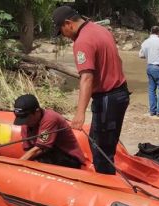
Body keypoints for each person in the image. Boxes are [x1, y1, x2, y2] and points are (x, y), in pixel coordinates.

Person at [52, 5, 130, 175]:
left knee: (102, 150)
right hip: (120, 93)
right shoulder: (100, 30)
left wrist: (80, 114)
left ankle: (107, 188)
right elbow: (118, 61)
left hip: (108, 98)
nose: (63, 36)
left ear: (68, 24)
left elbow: (86, 78)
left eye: (61, 31)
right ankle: (105, 176)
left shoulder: (82, 42)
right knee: (101, 141)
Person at [13, 94, 86, 169]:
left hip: (67, 158)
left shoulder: (50, 118)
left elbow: (40, 148)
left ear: (37, 111)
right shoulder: (25, 124)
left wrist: (18, 165)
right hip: (46, 157)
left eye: (26, 118)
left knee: (43, 154)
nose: (25, 122)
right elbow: (28, 150)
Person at [139, 26, 159, 116]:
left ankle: (152, 111)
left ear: (150, 32)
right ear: (158, 32)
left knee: (151, 90)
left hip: (149, 67)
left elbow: (141, 55)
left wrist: (150, 55)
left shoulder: (145, 42)